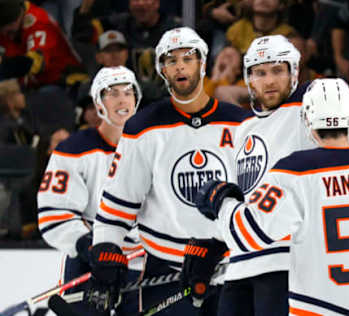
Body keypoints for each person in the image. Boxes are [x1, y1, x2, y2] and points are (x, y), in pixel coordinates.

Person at [181, 35, 349, 316]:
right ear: (249, 79)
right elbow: (242, 200)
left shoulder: (307, 103)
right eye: (261, 73)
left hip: (286, 263)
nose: (269, 81)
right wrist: (212, 241)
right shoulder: (243, 130)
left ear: (293, 73)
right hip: (243, 262)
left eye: (278, 71)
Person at [89, 27, 249, 315]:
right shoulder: (143, 127)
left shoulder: (241, 124)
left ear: (202, 63)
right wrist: (105, 248)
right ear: (162, 69)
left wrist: (221, 244)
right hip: (166, 269)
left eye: (188, 58)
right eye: (171, 60)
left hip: (233, 267)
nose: (180, 66)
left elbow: (258, 202)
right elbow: (117, 204)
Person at [37, 66, 144, 315]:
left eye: (128, 92)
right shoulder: (74, 149)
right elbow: (54, 214)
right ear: (98, 102)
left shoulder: (155, 148)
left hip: (142, 265)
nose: (121, 99)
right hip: (90, 264)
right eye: (112, 93)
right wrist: (92, 248)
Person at [0, 0, 85, 89]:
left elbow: (36, 62)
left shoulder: (39, 23)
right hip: (33, 84)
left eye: (5, 29)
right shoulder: (10, 27)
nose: (3, 33)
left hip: (64, 81)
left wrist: (3, 67)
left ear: (16, 19)